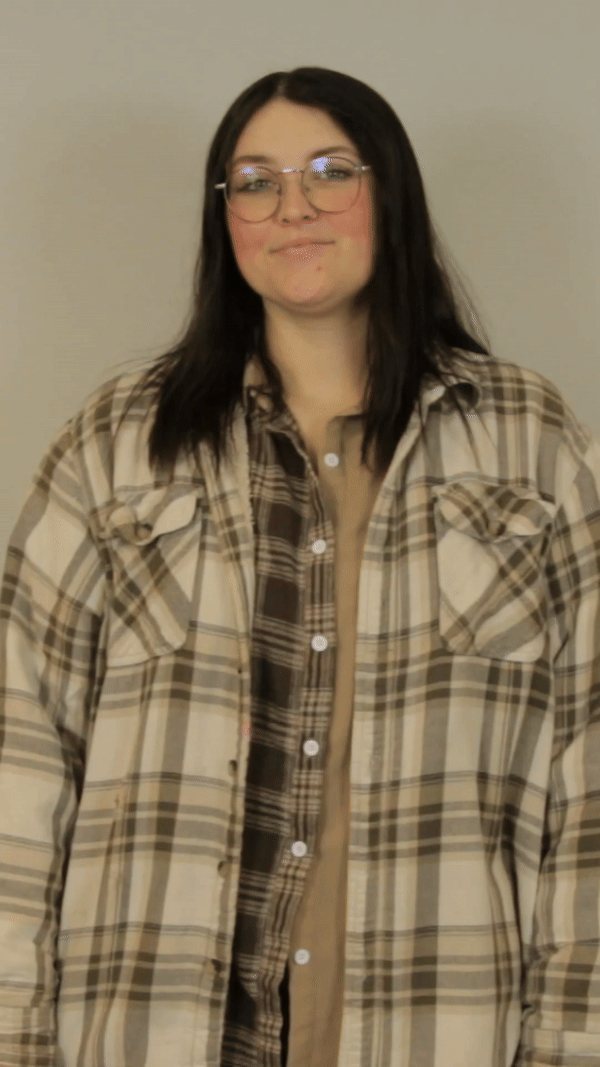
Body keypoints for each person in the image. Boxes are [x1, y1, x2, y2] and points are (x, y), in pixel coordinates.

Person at [1, 65, 599, 1067]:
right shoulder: (113, 446)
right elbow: (22, 753)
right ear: (224, 214)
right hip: (152, 1025)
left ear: (391, 195)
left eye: (331, 170)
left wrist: (574, 1037)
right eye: (255, 180)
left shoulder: (532, 445)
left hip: (442, 1024)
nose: (295, 207)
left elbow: (591, 767)